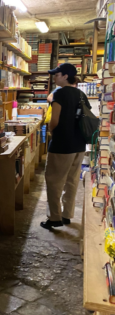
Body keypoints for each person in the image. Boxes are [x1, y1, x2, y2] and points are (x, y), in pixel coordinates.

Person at [41, 62, 91, 230]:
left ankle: (54, 218)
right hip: (79, 144)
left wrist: (50, 131)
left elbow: (54, 120)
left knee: (54, 181)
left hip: (62, 144)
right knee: (71, 180)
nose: (54, 77)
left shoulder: (59, 94)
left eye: (57, 74)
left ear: (65, 76)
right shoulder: (81, 94)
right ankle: (66, 215)